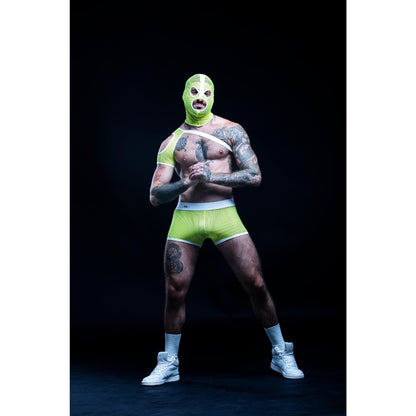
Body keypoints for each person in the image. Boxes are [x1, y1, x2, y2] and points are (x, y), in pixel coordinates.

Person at [141, 74, 304, 386]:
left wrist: (211, 178)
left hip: (223, 213)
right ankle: (169, 362)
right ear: (185, 96)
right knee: (175, 290)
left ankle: (281, 352)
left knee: (255, 283)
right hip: (186, 216)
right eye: (194, 91)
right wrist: (185, 183)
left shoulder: (230, 130)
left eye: (206, 92)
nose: (200, 96)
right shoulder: (171, 142)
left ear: (212, 97)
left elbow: (254, 175)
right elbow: (155, 195)